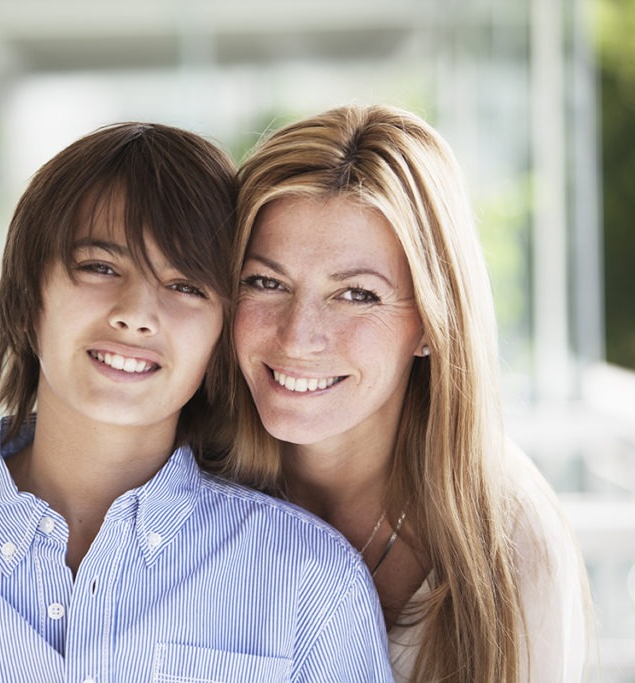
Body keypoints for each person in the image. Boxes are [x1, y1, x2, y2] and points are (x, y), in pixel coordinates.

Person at [0, 122, 394, 682]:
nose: (136, 314)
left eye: (185, 285)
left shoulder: (309, 578)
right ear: (30, 297)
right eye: (100, 266)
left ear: (221, 335)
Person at [220, 104, 591, 682]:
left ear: (429, 323)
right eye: (266, 282)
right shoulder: (180, 486)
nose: (298, 337)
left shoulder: (511, 541)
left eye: (357, 295)